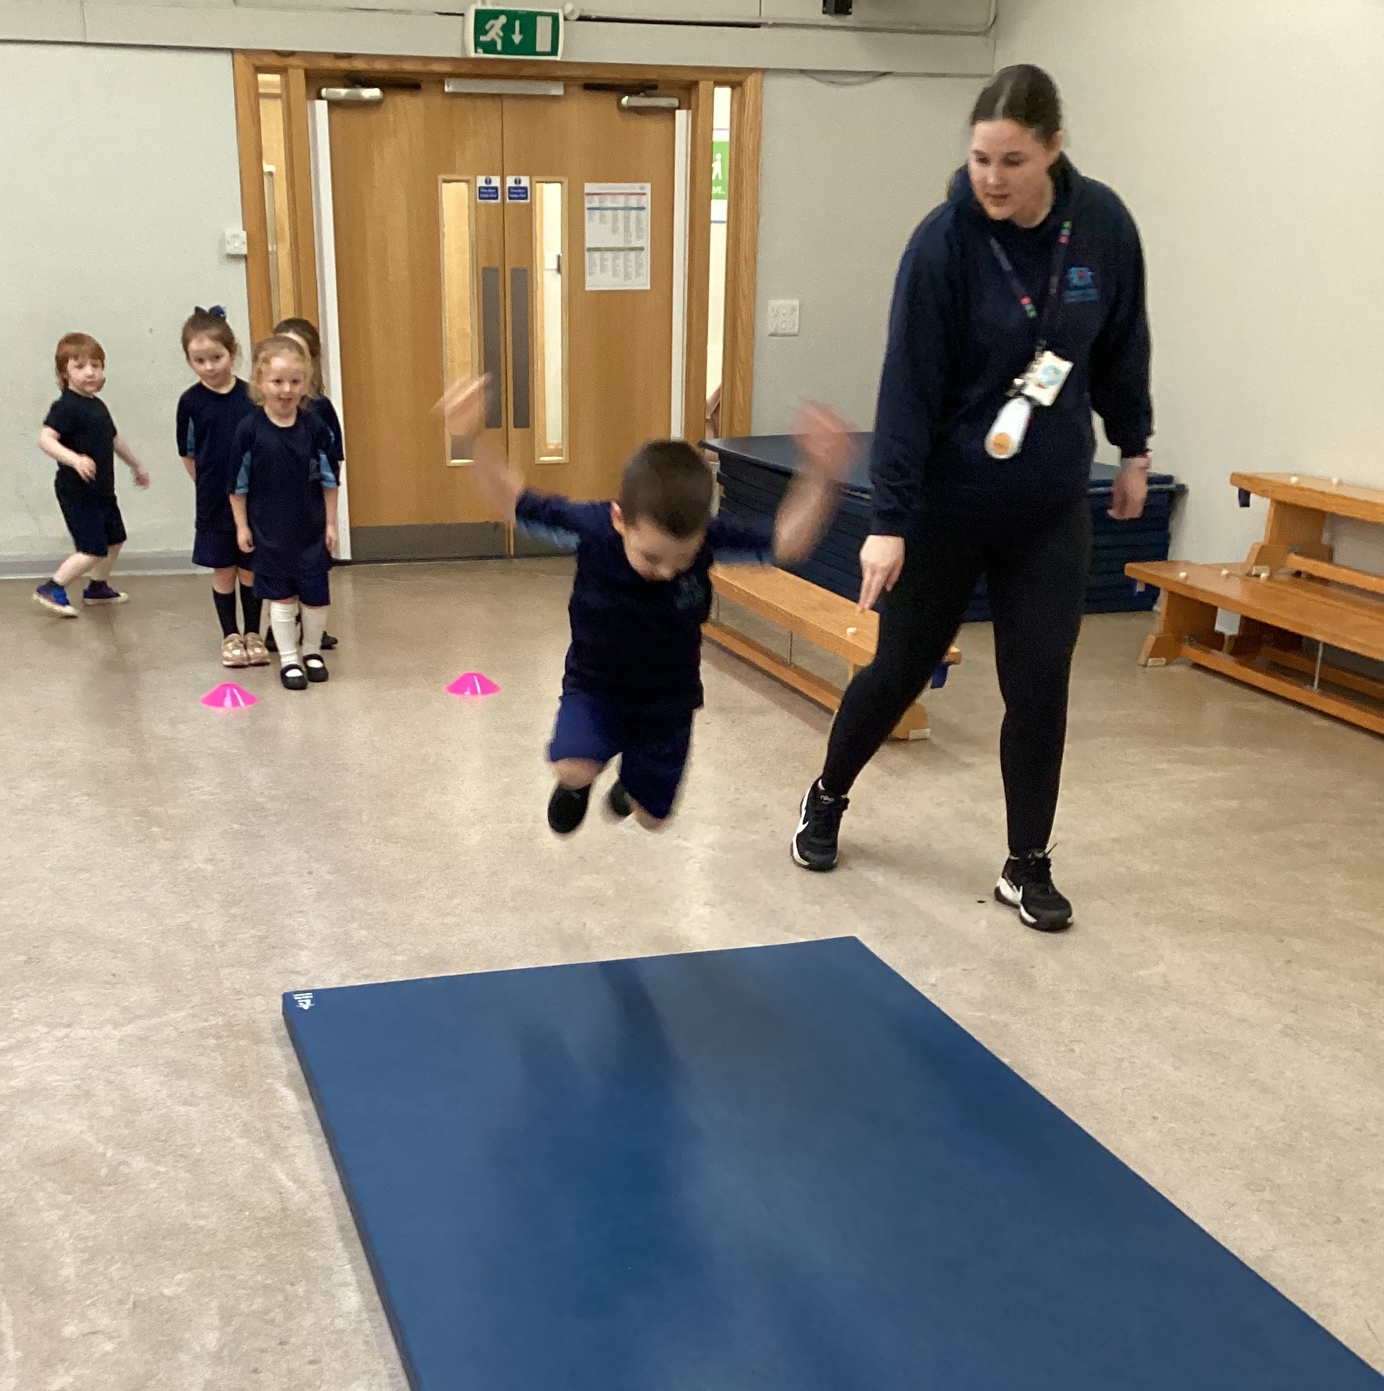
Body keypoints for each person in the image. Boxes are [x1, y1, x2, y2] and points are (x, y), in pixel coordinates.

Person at [790, 62, 1153, 932]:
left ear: (1054, 149)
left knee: (1041, 683)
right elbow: (906, 391)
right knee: (899, 669)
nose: (992, 177)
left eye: (1013, 160)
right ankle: (828, 795)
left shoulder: (1102, 226)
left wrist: (1134, 448)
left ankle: (1027, 864)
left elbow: (1122, 344)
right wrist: (889, 521)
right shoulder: (944, 243)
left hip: (1047, 507)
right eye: (982, 158)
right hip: (947, 507)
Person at [441, 374, 850, 834]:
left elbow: (786, 541)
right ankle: (578, 785)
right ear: (620, 519)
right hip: (596, 687)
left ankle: (631, 784)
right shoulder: (594, 528)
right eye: (652, 557)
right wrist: (471, 437)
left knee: (651, 819)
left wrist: (821, 473)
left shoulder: (707, 538)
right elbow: (513, 500)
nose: (669, 572)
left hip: (668, 702)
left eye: (683, 559)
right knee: (572, 766)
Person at [229, 334, 339, 691]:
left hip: (310, 529)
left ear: (305, 383)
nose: (286, 389)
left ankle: (312, 651)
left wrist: (331, 523)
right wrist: (242, 527)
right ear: (260, 382)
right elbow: (237, 486)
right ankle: (289, 659)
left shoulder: (314, 427)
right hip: (269, 531)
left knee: (315, 594)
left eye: (295, 381)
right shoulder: (249, 431)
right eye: (277, 381)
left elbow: (329, 480)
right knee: (280, 597)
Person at [34, 333, 150, 616]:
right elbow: (45, 439)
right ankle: (52, 587)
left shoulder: (97, 405)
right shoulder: (66, 407)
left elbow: (114, 439)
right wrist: (74, 460)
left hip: (102, 490)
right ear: (65, 373)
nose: (90, 372)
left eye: (95, 365)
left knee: (115, 538)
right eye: (80, 366)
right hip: (78, 491)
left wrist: (135, 465)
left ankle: (97, 587)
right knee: (92, 548)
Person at [176, 306, 265, 668]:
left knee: (250, 569)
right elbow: (188, 453)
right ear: (190, 361)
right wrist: (206, 486)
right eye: (199, 361)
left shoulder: (252, 397)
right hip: (213, 502)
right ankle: (230, 635)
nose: (209, 367)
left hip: (253, 500)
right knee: (223, 569)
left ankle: (254, 633)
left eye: (216, 357)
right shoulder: (190, 402)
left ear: (233, 352)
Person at [272, 317, 343, 652]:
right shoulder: (261, 412)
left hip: (310, 504)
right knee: (277, 568)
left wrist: (331, 516)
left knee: (312, 568)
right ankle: (279, 628)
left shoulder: (320, 409)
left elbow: (333, 460)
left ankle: (313, 629)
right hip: (274, 504)